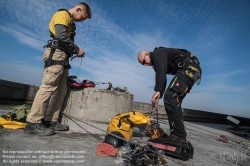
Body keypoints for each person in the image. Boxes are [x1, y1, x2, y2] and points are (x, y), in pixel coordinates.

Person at [25, 2, 92, 136]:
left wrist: (72, 51)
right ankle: (33, 121)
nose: (82, 20)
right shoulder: (62, 15)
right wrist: (76, 49)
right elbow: (61, 36)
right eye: (82, 17)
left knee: (61, 91)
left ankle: (51, 120)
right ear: (78, 9)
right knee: (48, 87)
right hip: (56, 54)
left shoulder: (70, 21)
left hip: (64, 58)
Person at [138, 47, 202, 140]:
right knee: (173, 99)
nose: (144, 65)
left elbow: (161, 69)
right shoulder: (158, 60)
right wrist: (158, 96)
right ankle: (177, 134)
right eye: (142, 64)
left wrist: (158, 90)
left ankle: (178, 135)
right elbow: (162, 76)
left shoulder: (157, 53)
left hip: (189, 68)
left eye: (144, 61)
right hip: (192, 70)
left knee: (170, 97)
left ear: (147, 54)